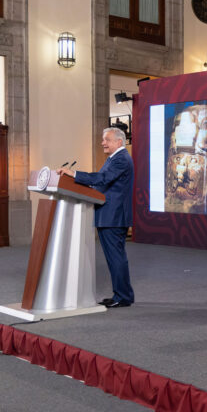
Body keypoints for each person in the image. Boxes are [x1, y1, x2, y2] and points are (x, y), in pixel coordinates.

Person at [57, 127, 135, 308]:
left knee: (116, 257)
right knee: (114, 257)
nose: (103, 143)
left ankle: (123, 296)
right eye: (103, 139)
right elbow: (104, 181)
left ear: (119, 142)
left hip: (114, 216)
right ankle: (121, 294)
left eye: (107, 139)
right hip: (108, 214)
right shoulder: (115, 158)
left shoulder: (121, 159)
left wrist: (74, 174)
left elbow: (103, 178)